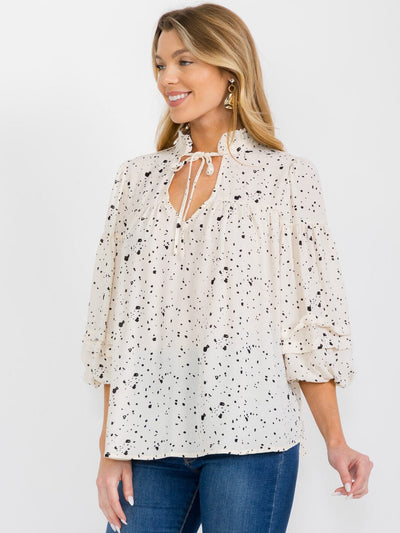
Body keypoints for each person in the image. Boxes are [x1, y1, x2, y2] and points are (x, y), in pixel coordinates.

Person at [80, 3, 373, 532]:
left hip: (251, 438)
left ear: (230, 68)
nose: (167, 78)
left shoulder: (286, 179)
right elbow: (115, 324)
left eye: (184, 61)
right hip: (147, 439)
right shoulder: (136, 181)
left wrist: (336, 441)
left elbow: (307, 317)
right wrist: (110, 446)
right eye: (160, 64)